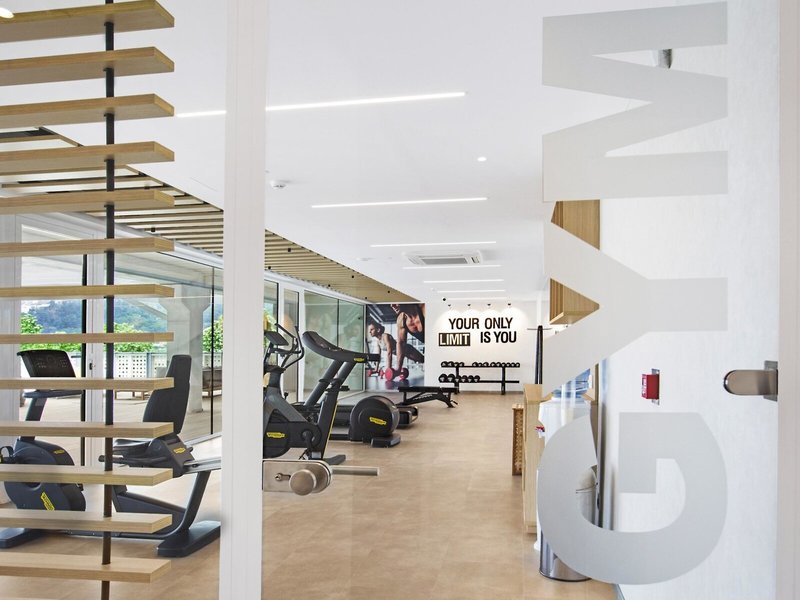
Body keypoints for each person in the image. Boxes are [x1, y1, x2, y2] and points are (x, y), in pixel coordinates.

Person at [389, 303, 426, 371]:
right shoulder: (401, 319)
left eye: (395, 301)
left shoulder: (424, 308)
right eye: (391, 303)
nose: (392, 305)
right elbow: (401, 343)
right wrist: (398, 369)